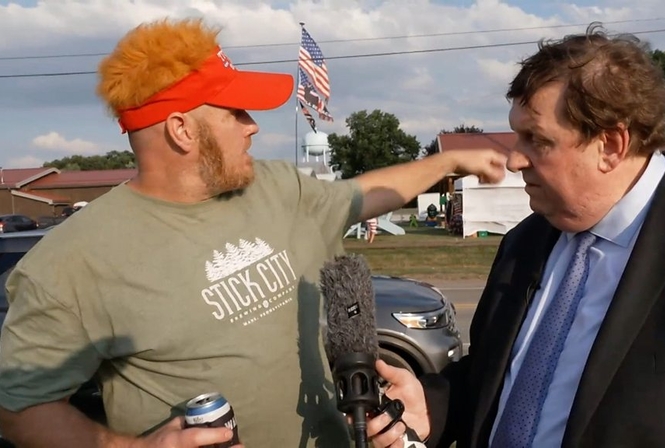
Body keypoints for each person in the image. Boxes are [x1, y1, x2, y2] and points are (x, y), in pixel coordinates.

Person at [0, 18, 507, 448]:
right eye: (235, 112)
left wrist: (448, 161)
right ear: (181, 130)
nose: (253, 126)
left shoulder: (273, 187)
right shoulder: (72, 262)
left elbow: (362, 195)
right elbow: (18, 408)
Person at [368, 22, 665, 448]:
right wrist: (435, 404)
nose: (514, 160)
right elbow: (494, 378)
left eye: (536, 140)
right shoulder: (525, 242)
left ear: (611, 145)